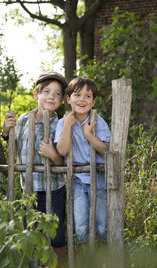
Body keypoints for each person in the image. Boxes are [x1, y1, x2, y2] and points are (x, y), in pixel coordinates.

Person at [2, 71, 67, 267]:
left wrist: (53, 154)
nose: (51, 97)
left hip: (54, 190)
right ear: (36, 94)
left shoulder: (62, 124)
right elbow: (14, 155)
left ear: (63, 99)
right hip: (28, 190)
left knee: (56, 235)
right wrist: (6, 133)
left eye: (57, 94)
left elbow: (62, 164)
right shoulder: (23, 120)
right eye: (47, 91)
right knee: (28, 233)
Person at [55, 77, 111, 247]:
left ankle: (102, 265)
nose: (82, 99)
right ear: (68, 99)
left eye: (88, 96)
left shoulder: (97, 121)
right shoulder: (62, 123)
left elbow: (106, 149)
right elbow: (62, 151)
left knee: (102, 226)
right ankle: (87, 263)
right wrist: (67, 126)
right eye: (77, 95)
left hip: (99, 180)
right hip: (77, 180)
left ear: (93, 101)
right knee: (80, 227)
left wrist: (88, 135)